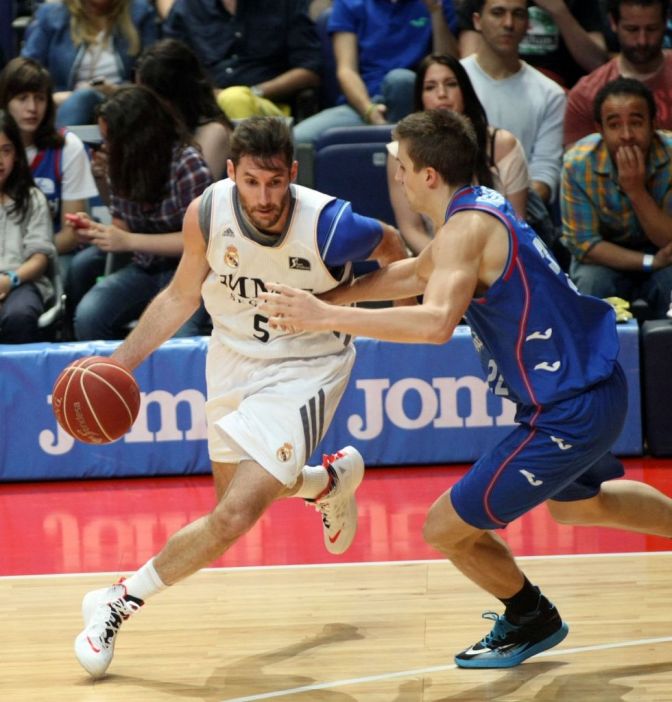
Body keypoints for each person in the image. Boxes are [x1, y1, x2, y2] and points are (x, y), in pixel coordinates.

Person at [260, 108, 672, 668]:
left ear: (429, 175)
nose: (398, 175)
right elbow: (414, 273)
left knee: (444, 528)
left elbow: (434, 324)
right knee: (580, 507)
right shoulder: (478, 207)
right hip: (595, 386)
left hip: (567, 411)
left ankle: (530, 617)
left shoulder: (465, 230)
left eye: (403, 166)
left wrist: (323, 317)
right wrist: (324, 301)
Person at [72, 116, 408, 678]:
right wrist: (118, 366)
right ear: (232, 173)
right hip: (231, 359)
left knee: (232, 516)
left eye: (275, 182)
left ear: (293, 173)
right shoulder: (207, 212)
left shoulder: (330, 224)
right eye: (251, 182)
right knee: (234, 500)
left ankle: (117, 601)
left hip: (306, 367)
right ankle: (325, 483)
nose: (264, 197)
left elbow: (396, 250)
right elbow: (181, 295)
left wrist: (341, 307)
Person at [66, 85, 213, 340]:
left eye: (111, 139)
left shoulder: (187, 164)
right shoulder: (121, 164)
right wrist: (97, 232)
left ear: (135, 139)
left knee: (179, 337)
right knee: (89, 316)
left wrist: (129, 241)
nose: (106, 147)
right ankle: (109, 367)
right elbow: (122, 227)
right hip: (145, 269)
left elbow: (202, 241)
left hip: (193, 273)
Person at [387, 52, 528, 254]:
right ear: (420, 98)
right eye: (430, 87)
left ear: (465, 91)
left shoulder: (503, 144)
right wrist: (444, 259)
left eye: (451, 84)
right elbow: (411, 228)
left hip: (497, 257)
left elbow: (516, 226)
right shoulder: (400, 152)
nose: (442, 93)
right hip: (434, 254)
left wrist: (472, 264)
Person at [562, 77, 672, 318]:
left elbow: (668, 239)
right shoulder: (577, 164)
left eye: (636, 123)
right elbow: (585, 245)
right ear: (600, 129)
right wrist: (650, 261)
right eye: (614, 125)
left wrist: (636, 191)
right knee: (590, 283)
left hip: (665, 256)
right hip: (605, 258)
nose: (626, 135)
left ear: (654, 124)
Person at [292, 0, 459, 145]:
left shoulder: (437, 4)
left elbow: (449, 65)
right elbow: (346, 70)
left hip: (416, 103)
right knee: (298, 139)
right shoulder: (349, 3)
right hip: (364, 102)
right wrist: (369, 111)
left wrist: (435, 13)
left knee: (400, 80)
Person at [460, 0, 567, 206]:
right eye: (498, 13)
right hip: (456, 208)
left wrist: (506, 212)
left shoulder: (550, 94)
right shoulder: (451, 83)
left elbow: (545, 173)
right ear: (477, 21)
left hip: (522, 212)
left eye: (518, 14)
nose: (509, 23)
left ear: (528, 24)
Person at [0, 57, 99, 277]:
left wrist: (25, 262)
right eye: (22, 98)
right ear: (5, 101)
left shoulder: (68, 147)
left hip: (55, 252)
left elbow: (71, 235)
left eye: (40, 98)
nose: (32, 108)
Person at [162, 0, 322, 120]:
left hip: (267, 108)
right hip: (201, 109)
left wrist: (253, 93)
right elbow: (169, 68)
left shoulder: (286, 3)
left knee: (235, 99)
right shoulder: (187, 7)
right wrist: (208, 96)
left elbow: (310, 70)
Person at [21, 0, 159, 128]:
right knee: (84, 97)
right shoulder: (52, 14)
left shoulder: (140, 12)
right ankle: (59, 143)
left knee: (87, 96)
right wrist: (56, 97)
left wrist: (115, 90)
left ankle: (57, 144)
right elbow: (26, 70)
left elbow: (151, 75)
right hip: (64, 101)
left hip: (124, 102)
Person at [564, 0, 672, 148]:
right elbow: (576, 159)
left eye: (652, 29)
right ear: (613, 23)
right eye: (632, 29)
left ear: (665, 23)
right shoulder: (585, 94)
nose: (642, 40)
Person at [135, 38, 234, 181]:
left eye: (149, 96)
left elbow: (196, 189)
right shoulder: (156, 130)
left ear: (173, 96)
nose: (143, 103)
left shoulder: (214, 131)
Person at [457, 0, 608, 89]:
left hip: (564, 92)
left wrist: (560, 11)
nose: (509, 23)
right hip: (496, 83)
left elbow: (597, 64)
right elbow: (468, 70)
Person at [0, 109, 56, 343]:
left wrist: (9, 280)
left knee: (19, 315)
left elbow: (39, 259)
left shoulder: (32, 198)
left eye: (6, 150)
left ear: (17, 155)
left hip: (21, 281)